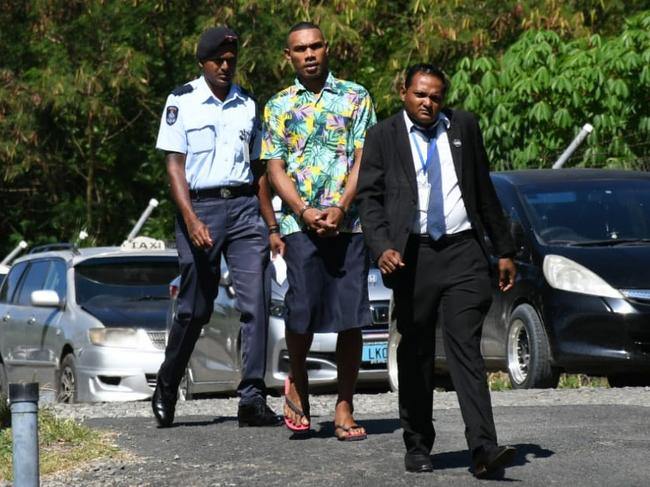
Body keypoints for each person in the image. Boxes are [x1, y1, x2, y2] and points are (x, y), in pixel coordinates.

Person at [357, 63, 518, 476]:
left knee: (466, 346)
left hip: (463, 251)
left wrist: (503, 250)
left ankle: (483, 447)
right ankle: (417, 443)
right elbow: (369, 201)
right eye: (420, 95)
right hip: (414, 255)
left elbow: (483, 190)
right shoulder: (382, 137)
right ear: (404, 93)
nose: (428, 103)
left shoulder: (464, 128)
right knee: (416, 350)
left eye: (435, 97)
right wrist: (382, 248)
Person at [152, 26, 283, 428]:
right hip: (201, 207)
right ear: (203, 63)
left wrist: (272, 226)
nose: (226, 67)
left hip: (245, 208)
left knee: (256, 304)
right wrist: (190, 219)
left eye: (230, 61)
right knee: (196, 308)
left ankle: (252, 398)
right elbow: (174, 165)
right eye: (218, 61)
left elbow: (259, 171)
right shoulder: (182, 100)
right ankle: (168, 384)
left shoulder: (248, 103)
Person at [261, 22, 376, 440]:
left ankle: (344, 405)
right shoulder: (277, 105)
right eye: (300, 49)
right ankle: (300, 383)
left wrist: (342, 207)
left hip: (349, 224)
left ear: (327, 49)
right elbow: (273, 168)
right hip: (298, 223)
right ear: (288, 56)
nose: (309, 55)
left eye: (315, 47)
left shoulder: (356, 95)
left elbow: (365, 156)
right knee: (302, 308)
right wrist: (303, 211)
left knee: (351, 316)